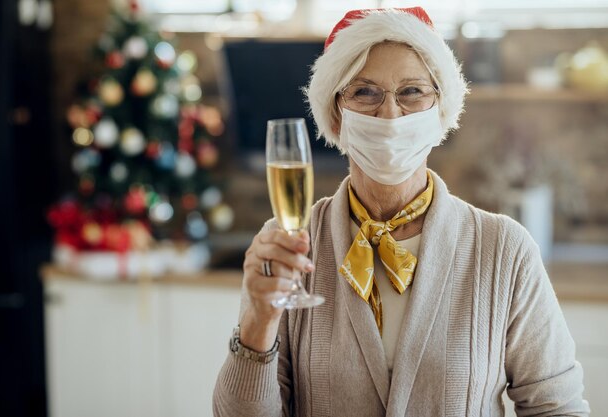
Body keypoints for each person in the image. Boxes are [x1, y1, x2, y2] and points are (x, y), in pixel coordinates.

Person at [213, 7, 590, 417]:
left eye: (412, 92)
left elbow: (558, 409)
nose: (391, 114)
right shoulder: (289, 247)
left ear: (440, 111)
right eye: (364, 92)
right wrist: (257, 321)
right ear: (336, 116)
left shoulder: (505, 251)